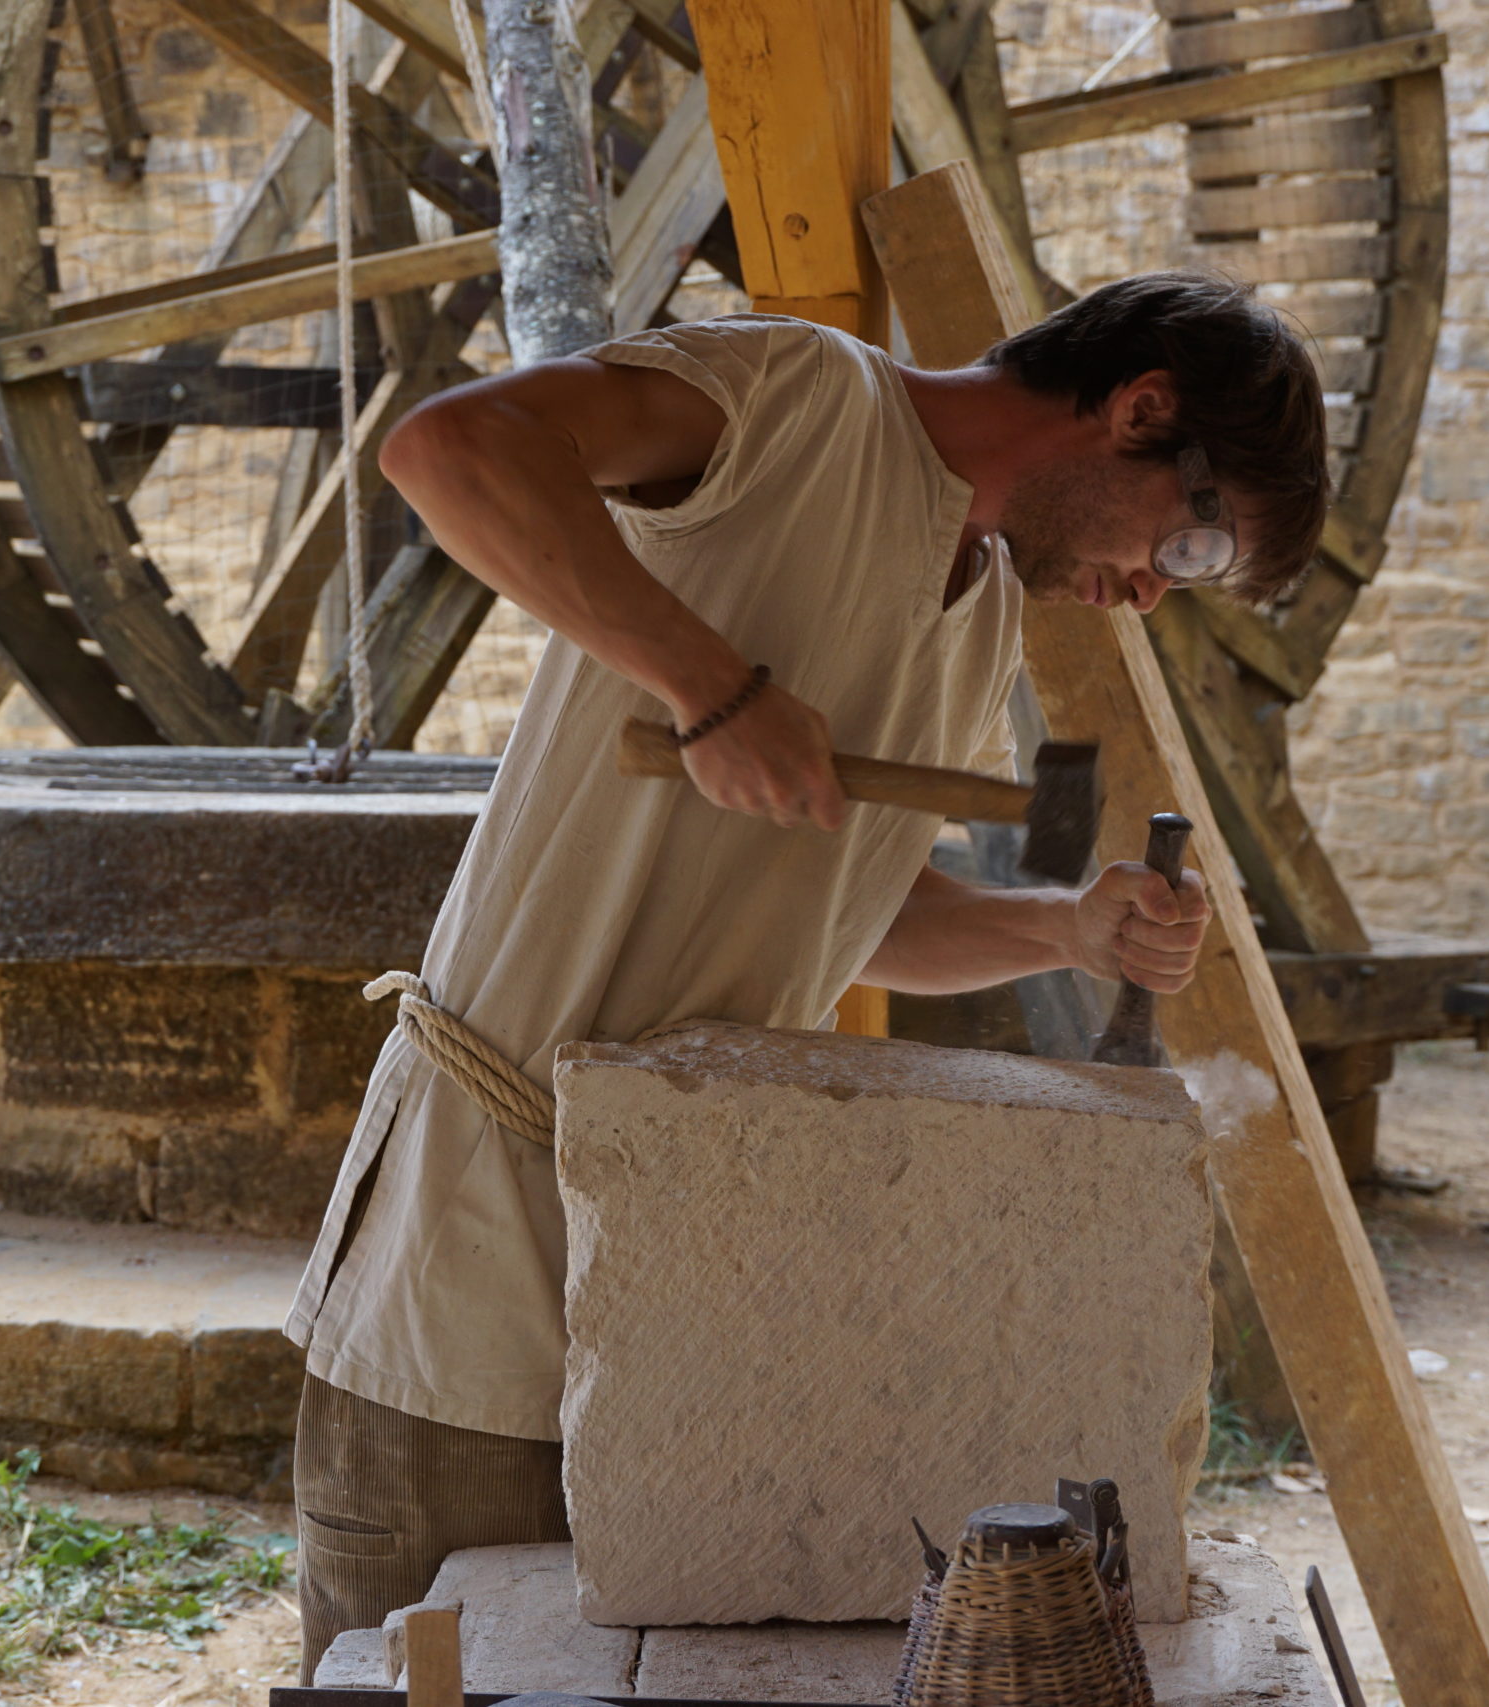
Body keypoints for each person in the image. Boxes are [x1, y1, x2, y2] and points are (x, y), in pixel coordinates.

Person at [284, 271, 1330, 1667]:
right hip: (475, 1256)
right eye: (1190, 551)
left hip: (682, 1286)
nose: (1149, 595)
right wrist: (707, 684)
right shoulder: (799, 399)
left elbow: (853, 904)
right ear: (1144, 410)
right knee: (429, 1678)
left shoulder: (978, 618)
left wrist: (1064, 931)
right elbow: (450, 448)